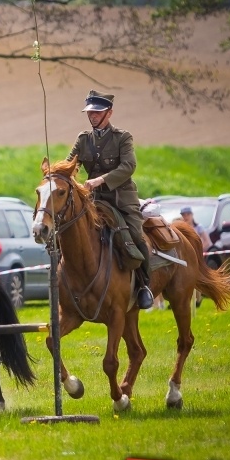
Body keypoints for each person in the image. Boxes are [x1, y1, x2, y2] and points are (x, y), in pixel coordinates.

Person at [66, 90, 153, 309]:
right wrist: (56, 174)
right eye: (90, 113)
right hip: (93, 201)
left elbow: (129, 166)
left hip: (121, 198)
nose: (93, 116)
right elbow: (71, 164)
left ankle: (144, 285)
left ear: (109, 113)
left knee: (136, 235)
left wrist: (100, 180)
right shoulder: (83, 139)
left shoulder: (122, 138)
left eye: (97, 112)